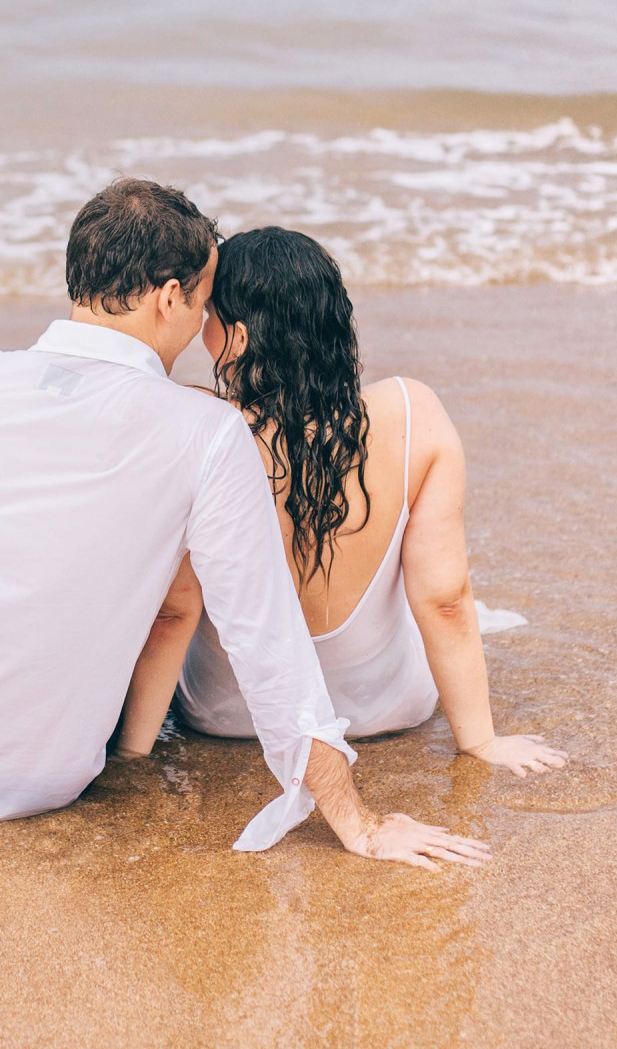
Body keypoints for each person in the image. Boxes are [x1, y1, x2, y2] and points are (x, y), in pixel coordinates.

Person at [0, 180, 489, 870]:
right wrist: (356, 820)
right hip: (48, 780)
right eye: (203, 300)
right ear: (169, 298)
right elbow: (266, 639)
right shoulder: (206, 434)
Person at [112, 226, 569, 778]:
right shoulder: (412, 415)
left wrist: (131, 754)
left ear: (235, 337)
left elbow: (174, 614)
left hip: (229, 715)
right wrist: (482, 743)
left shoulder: (196, 425)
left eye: (208, 314)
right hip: (389, 707)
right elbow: (446, 602)